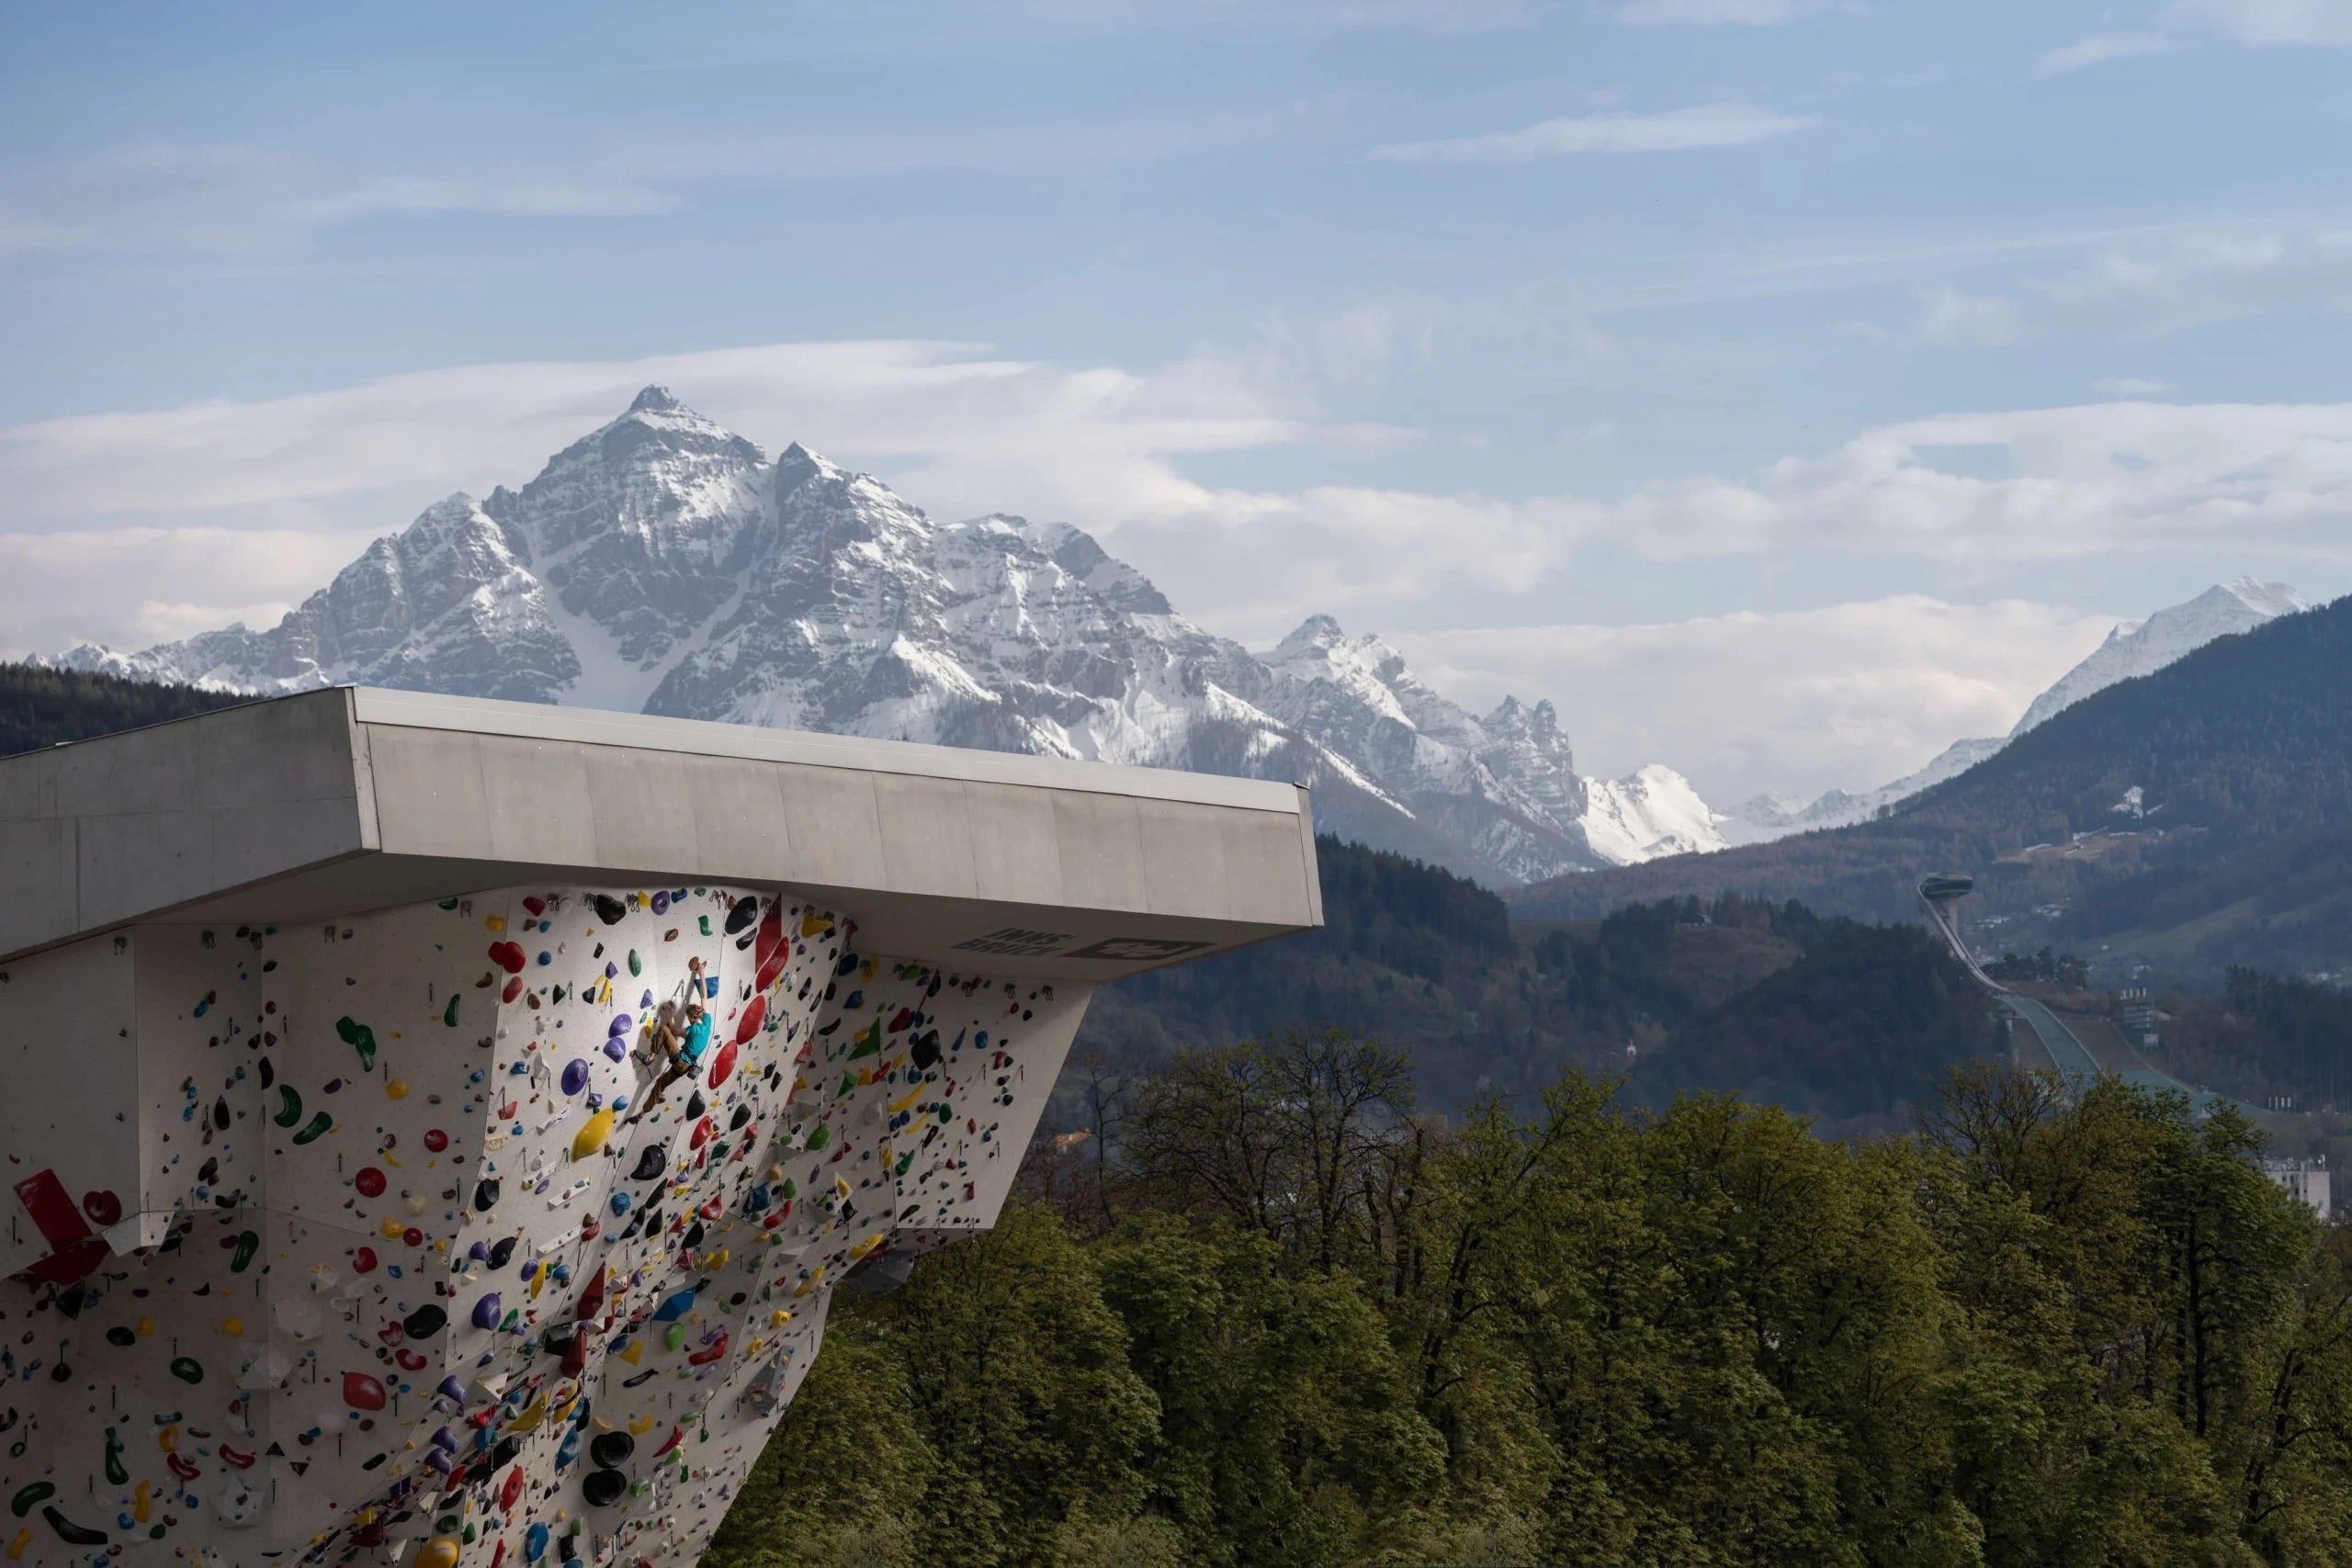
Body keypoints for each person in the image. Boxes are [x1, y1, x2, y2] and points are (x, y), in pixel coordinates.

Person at [625, 961, 709, 1122]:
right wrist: (701, 973)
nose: (688, 1020)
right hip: (686, 1068)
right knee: (659, 1085)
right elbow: (704, 996)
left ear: (691, 1017)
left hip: (680, 1062)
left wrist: (670, 1013)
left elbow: (674, 1030)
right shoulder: (707, 1025)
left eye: (688, 1018)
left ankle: (649, 1057)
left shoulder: (692, 1029)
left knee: (663, 1029)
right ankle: (640, 1115)